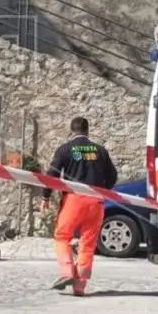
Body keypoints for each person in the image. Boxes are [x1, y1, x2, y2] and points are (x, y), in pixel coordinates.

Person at [40, 117, 118, 296]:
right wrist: (103, 191)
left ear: (71, 130)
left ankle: (67, 272)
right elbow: (112, 176)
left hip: (73, 200)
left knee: (62, 236)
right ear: (87, 130)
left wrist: (45, 196)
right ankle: (80, 285)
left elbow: (52, 175)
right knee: (88, 243)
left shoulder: (64, 149)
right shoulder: (100, 151)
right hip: (96, 201)